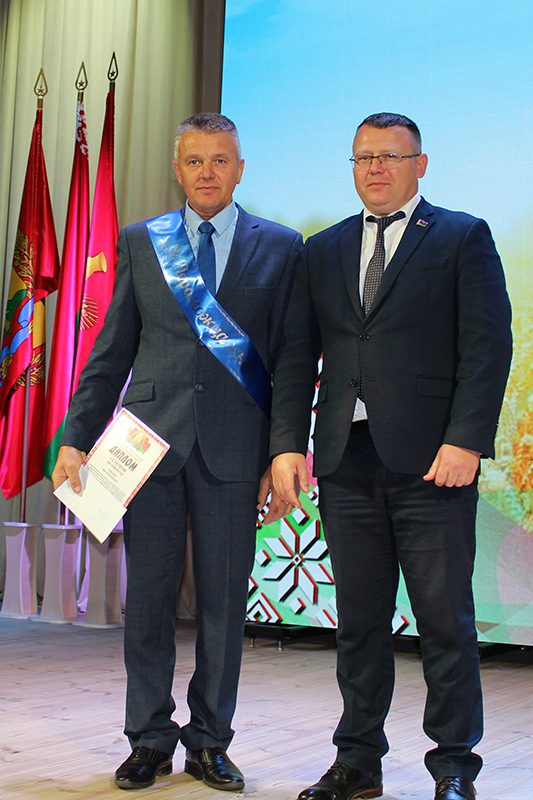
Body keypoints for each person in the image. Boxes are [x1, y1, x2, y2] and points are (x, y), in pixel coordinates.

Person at [52, 112, 301, 792]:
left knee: (223, 606)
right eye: (194, 161)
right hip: (149, 447)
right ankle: (149, 740)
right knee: (150, 603)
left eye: (220, 160)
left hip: (235, 449)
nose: (206, 173)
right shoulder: (143, 241)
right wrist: (74, 438)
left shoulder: (283, 246)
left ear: (240, 169)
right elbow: (111, 351)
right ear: (177, 168)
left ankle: (210, 742)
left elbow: (290, 360)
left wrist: (283, 450)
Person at [270, 113, 512, 800]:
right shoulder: (323, 249)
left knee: (443, 623)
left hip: (433, 465)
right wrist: (286, 444)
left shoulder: (461, 236)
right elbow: (297, 355)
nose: (375, 168)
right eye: (363, 157)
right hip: (345, 462)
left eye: (389, 156)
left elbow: (488, 345)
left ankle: (454, 766)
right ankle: (357, 763)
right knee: (359, 625)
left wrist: (466, 440)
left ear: (420, 165)